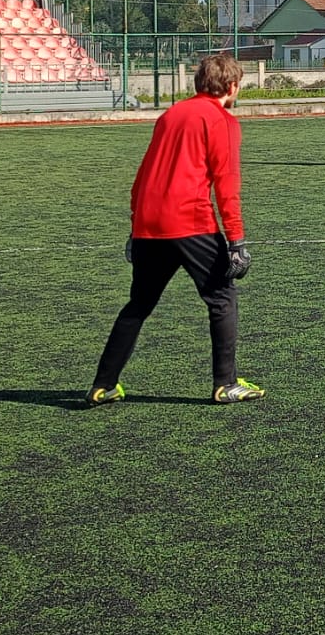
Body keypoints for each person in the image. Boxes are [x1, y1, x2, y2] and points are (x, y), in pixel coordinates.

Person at [88, 52, 264, 405]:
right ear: (232, 87)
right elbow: (226, 185)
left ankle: (103, 384)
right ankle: (226, 383)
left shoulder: (171, 114)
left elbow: (144, 172)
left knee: (139, 304)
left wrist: (135, 222)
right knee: (222, 298)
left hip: (149, 223)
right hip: (190, 220)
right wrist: (236, 240)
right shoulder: (223, 121)